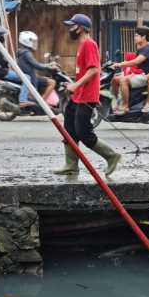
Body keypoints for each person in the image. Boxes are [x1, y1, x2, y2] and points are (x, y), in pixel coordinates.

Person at [53, 14, 121, 178]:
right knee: (69, 130)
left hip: (87, 96)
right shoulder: (82, 44)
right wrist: (72, 86)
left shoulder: (89, 44)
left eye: (72, 26)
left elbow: (94, 70)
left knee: (84, 133)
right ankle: (71, 165)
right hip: (77, 95)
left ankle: (111, 156)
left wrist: (76, 85)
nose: (70, 29)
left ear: (81, 28)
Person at [111, 26, 149, 114]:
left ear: (143, 37)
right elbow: (136, 63)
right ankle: (117, 100)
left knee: (123, 80)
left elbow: (137, 61)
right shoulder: (141, 47)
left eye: (136, 36)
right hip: (139, 73)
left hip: (146, 76)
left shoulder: (148, 48)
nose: (135, 38)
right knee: (114, 79)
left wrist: (120, 64)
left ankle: (125, 106)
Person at [15, 30, 57, 106]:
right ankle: (42, 103)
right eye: (33, 41)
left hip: (30, 75)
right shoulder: (26, 53)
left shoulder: (22, 52)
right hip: (31, 77)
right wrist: (49, 66)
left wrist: (48, 65)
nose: (35, 43)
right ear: (27, 41)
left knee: (44, 79)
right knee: (52, 82)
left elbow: (34, 64)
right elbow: (37, 65)